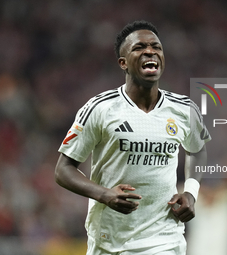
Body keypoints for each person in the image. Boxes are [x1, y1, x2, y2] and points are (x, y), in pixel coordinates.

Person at [55, 20, 210, 255]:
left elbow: (197, 149)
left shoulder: (184, 110)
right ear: (123, 63)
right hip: (110, 240)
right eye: (139, 48)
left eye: (156, 47)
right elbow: (63, 170)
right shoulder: (100, 108)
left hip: (164, 239)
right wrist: (104, 194)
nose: (150, 51)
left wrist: (190, 191)